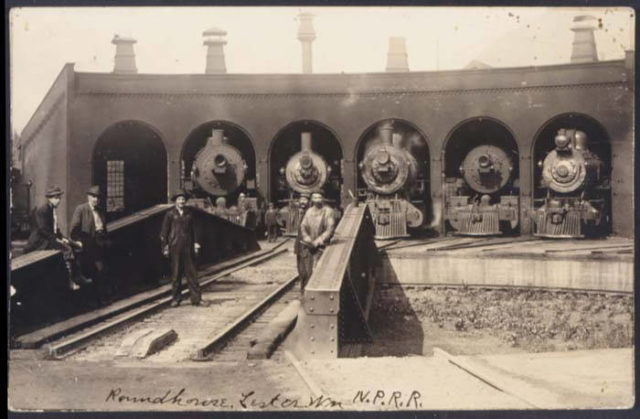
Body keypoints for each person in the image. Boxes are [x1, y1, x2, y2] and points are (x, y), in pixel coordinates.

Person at [25, 186, 86, 290]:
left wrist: (64, 238)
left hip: (49, 238)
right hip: (40, 241)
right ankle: (70, 281)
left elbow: (55, 230)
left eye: (59, 197)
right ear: (49, 198)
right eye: (56, 198)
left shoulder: (52, 209)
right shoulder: (43, 210)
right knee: (67, 249)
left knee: (75, 246)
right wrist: (57, 239)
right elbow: (43, 230)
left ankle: (78, 275)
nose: (58, 200)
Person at [160, 190, 207, 307]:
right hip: (175, 247)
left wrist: (196, 243)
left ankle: (196, 299)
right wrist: (165, 246)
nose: (181, 201)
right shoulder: (170, 214)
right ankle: (176, 299)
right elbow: (164, 232)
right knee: (176, 274)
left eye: (183, 199)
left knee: (192, 274)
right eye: (179, 199)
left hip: (188, 246)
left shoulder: (190, 214)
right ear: (176, 201)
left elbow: (195, 229)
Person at [70, 185, 113, 304]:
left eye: (98, 197)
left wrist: (106, 240)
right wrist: (79, 241)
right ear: (88, 197)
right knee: (98, 270)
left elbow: (103, 228)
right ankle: (99, 299)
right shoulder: (81, 209)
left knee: (105, 269)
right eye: (93, 197)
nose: (96, 200)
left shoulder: (100, 210)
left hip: (101, 241)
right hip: (89, 243)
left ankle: (104, 297)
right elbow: (74, 228)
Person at [298, 192, 336, 293]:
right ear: (312, 199)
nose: (318, 199)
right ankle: (307, 293)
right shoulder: (309, 212)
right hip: (309, 246)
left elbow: (330, 228)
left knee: (320, 272)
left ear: (323, 198)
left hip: (322, 247)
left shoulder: (328, 211)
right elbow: (303, 226)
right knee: (307, 272)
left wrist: (319, 241)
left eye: (320, 197)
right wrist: (307, 238)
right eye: (315, 197)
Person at [293, 194, 310, 289]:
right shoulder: (299, 213)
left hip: (308, 246)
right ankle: (303, 287)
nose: (302, 202)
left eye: (305, 200)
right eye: (301, 200)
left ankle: (306, 288)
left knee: (307, 269)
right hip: (299, 246)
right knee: (300, 268)